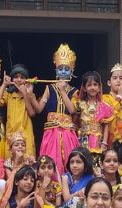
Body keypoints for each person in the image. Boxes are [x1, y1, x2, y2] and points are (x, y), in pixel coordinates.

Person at [34, 44, 80, 175]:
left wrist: (63, 91)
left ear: (72, 71)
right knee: (50, 160)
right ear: (56, 70)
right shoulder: (49, 88)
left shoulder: (74, 91)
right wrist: (29, 95)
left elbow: (72, 110)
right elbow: (39, 109)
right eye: (60, 69)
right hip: (51, 131)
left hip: (67, 132)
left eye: (66, 69)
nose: (63, 72)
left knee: (69, 160)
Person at [0, 64, 37, 157]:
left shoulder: (30, 94)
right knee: (10, 159)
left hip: (26, 131)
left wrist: (25, 94)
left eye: (22, 77)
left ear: (26, 80)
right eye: (16, 77)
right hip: (11, 132)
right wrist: (4, 84)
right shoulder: (9, 94)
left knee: (27, 159)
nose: (19, 80)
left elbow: (32, 113)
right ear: (12, 79)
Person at [73, 71, 114, 152]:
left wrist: (104, 143)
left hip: (98, 141)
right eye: (89, 85)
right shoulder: (79, 104)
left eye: (95, 85)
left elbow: (106, 126)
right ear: (84, 88)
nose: (92, 88)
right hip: (82, 139)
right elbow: (75, 123)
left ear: (99, 87)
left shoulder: (104, 106)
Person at [102, 63, 122, 146]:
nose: (118, 80)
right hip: (110, 142)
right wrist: (119, 96)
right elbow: (110, 114)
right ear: (109, 82)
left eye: (121, 78)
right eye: (115, 78)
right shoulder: (105, 99)